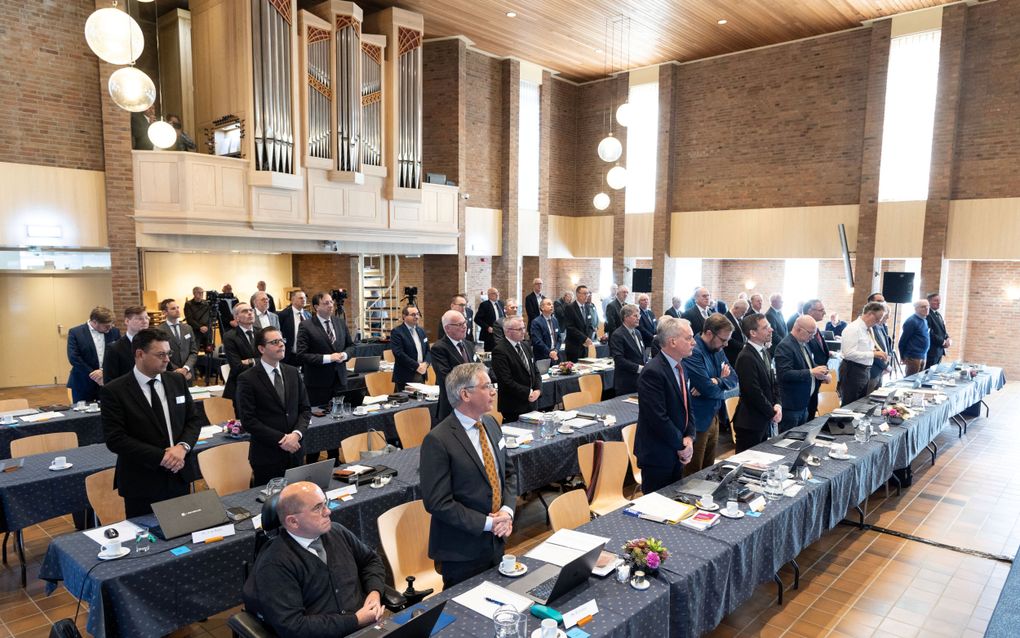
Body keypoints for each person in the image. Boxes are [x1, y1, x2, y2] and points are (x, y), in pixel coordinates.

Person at [242, 481, 386, 638]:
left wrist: (374, 592)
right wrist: (356, 620)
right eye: (318, 508)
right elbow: (294, 627)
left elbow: (371, 561)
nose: (328, 511)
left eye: (325, 504)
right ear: (293, 521)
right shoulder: (275, 564)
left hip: (366, 628)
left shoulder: (337, 532)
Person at [421, 363, 517, 588]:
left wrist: (507, 511)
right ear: (465, 394)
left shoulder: (491, 424)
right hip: (462, 550)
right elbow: (438, 503)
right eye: (487, 386)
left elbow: (509, 474)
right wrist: (487, 523)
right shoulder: (438, 440)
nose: (494, 391)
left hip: (497, 539)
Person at [102, 328, 202, 516]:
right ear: (140, 354)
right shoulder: (115, 391)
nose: (167, 359)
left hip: (178, 472)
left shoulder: (176, 381)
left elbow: (193, 420)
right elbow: (116, 439)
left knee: (183, 534)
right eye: (160, 354)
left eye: (168, 353)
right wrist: (162, 457)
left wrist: (182, 447)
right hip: (142, 478)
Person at [236, 328, 311, 486]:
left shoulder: (292, 372)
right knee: (270, 505)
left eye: (282, 340)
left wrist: (296, 434)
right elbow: (248, 420)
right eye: (274, 342)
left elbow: (305, 409)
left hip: (295, 450)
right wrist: (282, 439)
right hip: (267, 455)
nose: (281, 345)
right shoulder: (247, 379)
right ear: (261, 348)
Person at [634, 316, 696, 493]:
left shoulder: (681, 367)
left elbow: (687, 407)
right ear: (673, 341)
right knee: (657, 510)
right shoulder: (653, 372)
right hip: (658, 453)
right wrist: (681, 445)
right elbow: (658, 418)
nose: (694, 343)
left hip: (677, 449)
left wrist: (690, 437)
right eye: (689, 338)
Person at [681, 314, 738, 475]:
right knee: (692, 474)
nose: (726, 345)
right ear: (709, 333)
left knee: (708, 471)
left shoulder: (717, 348)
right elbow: (707, 389)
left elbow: (734, 378)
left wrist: (716, 380)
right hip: (697, 420)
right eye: (723, 340)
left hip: (714, 416)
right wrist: (716, 381)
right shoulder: (694, 350)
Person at [733, 313, 782, 452]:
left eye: (770, 326)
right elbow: (753, 392)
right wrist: (772, 412)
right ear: (753, 333)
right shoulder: (746, 357)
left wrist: (778, 404)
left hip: (764, 418)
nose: (771, 330)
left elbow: (774, 382)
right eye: (766, 327)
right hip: (750, 422)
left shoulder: (765, 352)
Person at [297, 293, 354, 406]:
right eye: (326, 303)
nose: (331, 305)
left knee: (342, 417)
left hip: (340, 380)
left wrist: (344, 355)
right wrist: (328, 358)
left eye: (331, 302)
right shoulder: (306, 326)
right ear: (316, 307)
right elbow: (302, 355)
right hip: (318, 383)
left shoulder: (340, 322)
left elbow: (351, 346)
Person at [775, 316, 830, 432]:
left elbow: (809, 365)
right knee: (789, 442)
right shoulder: (785, 345)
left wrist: (822, 373)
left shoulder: (803, 343)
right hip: (791, 405)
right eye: (811, 333)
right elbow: (784, 374)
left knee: (800, 440)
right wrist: (811, 372)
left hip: (804, 403)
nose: (812, 337)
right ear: (799, 329)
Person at [490, 316, 542, 422]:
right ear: (508, 331)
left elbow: (535, 371)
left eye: (523, 328)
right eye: (519, 329)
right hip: (514, 406)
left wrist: (538, 390)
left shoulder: (525, 345)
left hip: (532, 403)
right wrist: (528, 392)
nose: (523, 332)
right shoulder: (500, 350)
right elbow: (506, 380)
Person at [66, 306, 121, 403]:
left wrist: (103, 371)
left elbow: (118, 354)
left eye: (111, 325)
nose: (110, 328)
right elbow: (74, 357)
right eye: (107, 326)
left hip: (107, 380)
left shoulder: (115, 332)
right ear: (95, 322)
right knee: (82, 415)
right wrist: (94, 375)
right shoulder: (75, 332)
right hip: (83, 381)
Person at [431, 310, 479, 420]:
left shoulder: (468, 345)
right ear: (447, 328)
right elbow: (447, 378)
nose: (464, 327)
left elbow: (478, 369)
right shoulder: (439, 348)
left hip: (472, 403)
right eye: (459, 324)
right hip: (453, 406)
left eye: (465, 323)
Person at [838, 302, 888, 405]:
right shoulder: (853, 328)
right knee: (850, 404)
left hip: (865, 370)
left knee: (860, 403)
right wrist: (873, 354)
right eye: (878, 318)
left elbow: (863, 349)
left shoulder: (868, 329)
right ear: (869, 314)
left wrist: (875, 352)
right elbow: (848, 353)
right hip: (853, 370)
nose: (879, 322)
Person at [103, 305, 150, 384]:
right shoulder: (114, 348)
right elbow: (110, 382)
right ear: (127, 321)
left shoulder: (155, 344)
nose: (145, 321)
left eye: (146, 318)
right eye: (140, 318)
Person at [801, 299, 831, 419]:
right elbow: (806, 357)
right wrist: (819, 372)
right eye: (821, 310)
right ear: (810, 311)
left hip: (817, 377)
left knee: (812, 411)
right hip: (808, 378)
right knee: (807, 414)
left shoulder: (815, 327)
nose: (824, 313)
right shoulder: (804, 329)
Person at [223, 302, 258, 405]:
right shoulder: (230, 336)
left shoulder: (262, 333)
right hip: (242, 385)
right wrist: (261, 364)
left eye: (251, 310)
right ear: (237, 318)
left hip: (262, 384)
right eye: (245, 311)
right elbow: (237, 366)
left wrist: (251, 361)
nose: (250, 313)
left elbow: (270, 360)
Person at [157, 298, 197, 385]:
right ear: (165, 313)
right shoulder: (159, 330)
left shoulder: (188, 328)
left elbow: (193, 352)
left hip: (188, 374)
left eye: (177, 307)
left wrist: (186, 368)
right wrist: (176, 370)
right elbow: (160, 354)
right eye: (173, 308)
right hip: (169, 373)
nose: (177, 310)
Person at [390, 305, 431, 390]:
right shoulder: (397, 332)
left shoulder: (421, 331)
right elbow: (399, 353)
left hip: (421, 372)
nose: (416, 317)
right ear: (404, 316)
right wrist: (417, 366)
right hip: (406, 375)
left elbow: (428, 351)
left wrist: (426, 363)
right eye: (413, 315)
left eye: (417, 314)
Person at [609, 304, 647, 395]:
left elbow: (641, 354)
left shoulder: (637, 333)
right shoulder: (618, 335)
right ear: (626, 317)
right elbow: (619, 360)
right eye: (635, 316)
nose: (638, 318)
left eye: (639, 316)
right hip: (626, 383)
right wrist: (639, 368)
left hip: (639, 381)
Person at [562, 285, 597, 362]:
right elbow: (570, 327)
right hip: (574, 347)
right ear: (577, 294)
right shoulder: (570, 307)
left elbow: (590, 325)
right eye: (584, 293)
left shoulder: (587, 307)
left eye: (587, 293)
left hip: (585, 346)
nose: (586, 296)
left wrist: (588, 338)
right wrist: (584, 339)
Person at [278, 290, 311, 367]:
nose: (304, 300)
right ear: (293, 300)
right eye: (300, 298)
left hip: (306, 355)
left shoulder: (308, 315)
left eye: (305, 298)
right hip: (290, 355)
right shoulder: (283, 315)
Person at [899, 299, 931, 377]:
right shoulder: (911, 321)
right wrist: (903, 357)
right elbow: (903, 340)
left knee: (919, 380)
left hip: (923, 355)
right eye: (923, 307)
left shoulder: (924, 320)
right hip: (913, 357)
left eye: (928, 306)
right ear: (916, 309)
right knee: (910, 380)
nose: (926, 308)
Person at [474, 287, 505, 352]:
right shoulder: (484, 305)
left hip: (501, 333)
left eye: (497, 293)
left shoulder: (501, 303)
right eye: (494, 293)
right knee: (491, 351)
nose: (497, 295)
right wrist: (487, 327)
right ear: (489, 295)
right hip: (490, 334)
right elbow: (477, 319)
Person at [529, 298, 560, 362]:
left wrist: (556, 350)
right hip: (543, 356)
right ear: (542, 308)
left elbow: (559, 338)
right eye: (549, 304)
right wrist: (549, 352)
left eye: (552, 304)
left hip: (555, 354)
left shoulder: (555, 320)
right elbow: (537, 341)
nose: (552, 306)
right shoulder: (536, 322)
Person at [184, 287, 213, 352]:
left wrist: (207, 326)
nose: (201, 294)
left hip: (207, 331)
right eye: (199, 292)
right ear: (194, 293)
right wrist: (200, 327)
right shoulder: (188, 304)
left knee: (209, 350)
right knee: (194, 351)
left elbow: (211, 317)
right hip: (196, 331)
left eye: (202, 292)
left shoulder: (207, 303)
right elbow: (189, 319)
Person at [926, 292, 951, 367]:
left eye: (939, 300)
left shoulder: (938, 315)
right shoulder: (927, 314)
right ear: (929, 302)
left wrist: (948, 339)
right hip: (931, 351)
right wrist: (943, 342)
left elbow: (943, 331)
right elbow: (929, 333)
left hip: (939, 351)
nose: (939, 302)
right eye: (936, 300)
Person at [723, 299, 748, 365]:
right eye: (743, 312)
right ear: (736, 308)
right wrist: (743, 346)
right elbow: (728, 338)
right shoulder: (726, 318)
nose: (744, 314)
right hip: (731, 355)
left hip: (738, 354)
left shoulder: (738, 318)